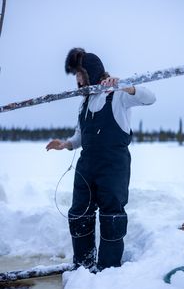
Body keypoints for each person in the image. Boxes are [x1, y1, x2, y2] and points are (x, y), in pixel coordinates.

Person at [46, 48, 156, 272]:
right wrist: (66, 144)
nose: (76, 80)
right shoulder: (84, 102)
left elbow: (150, 98)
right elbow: (80, 135)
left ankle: (108, 270)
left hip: (113, 165)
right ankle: (84, 265)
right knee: (79, 213)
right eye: (75, 75)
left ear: (91, 72)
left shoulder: (117, 94)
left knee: (111, 216)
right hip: (86, 165)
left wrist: (127, 86)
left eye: (79, 74)